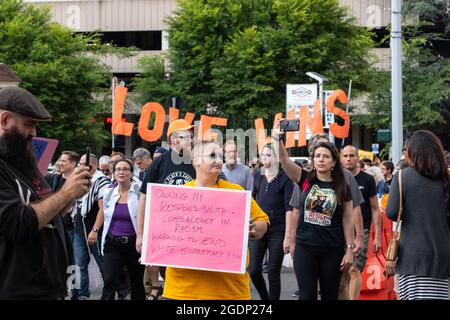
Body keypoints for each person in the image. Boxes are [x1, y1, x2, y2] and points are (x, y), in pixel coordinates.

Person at [0, 86, 92, 299]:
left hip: (47, 288)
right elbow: (16, 223)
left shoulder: (23, 163)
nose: (34, 134)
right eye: (29, 124)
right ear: (4, 120)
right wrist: (65, 194)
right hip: (17, 290)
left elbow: (46, 215)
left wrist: (73, 193)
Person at [161, 140, 269, 299]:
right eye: (212, 155)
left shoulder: (236, 192)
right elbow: (161, 233)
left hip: (228, 291)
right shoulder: (177, 196)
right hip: (181, 290)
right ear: (196, 160)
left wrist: (251, 227)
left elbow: (263, 224)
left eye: (220, 156)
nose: (219, 160)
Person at [137, 119, 197, 300]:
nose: (191, 138)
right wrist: (140, 234)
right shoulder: (160, 162)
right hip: (164, 233)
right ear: (173, 139)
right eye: (185, 135)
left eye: (191, 135)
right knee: (168, 274)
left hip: (191, 234)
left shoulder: (197, 161)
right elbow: (144, 197)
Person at [386, 130, 450, 300]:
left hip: (412, 255)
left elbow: (392, 212)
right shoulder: (446, 179)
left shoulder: (402, 177)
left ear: (412, 152)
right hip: (442, 255)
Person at [286, 141, 354, 300]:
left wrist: (350, 249)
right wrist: (277, 140)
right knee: (306, 295)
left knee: (330, 295)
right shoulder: (304, 179)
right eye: (317, 156)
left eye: (326, 156)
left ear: (333, 162)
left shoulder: (343, 186)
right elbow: (284, 161)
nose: (321, 159)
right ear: (313, 161)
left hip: (332, 249)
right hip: (305, 248)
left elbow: (347, 219)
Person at [248, 143, 294, 300]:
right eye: (263, 154)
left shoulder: (285, 178)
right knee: (253, 270)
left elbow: (290, 209)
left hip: (278, 229)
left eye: (268, 154)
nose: (264, 157)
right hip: (258, 226)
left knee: (273, 272)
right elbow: (252, 201)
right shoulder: (257, 175)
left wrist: (288, 236)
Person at [101, 159, 146, 300]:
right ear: (113, 173)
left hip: (134, 244)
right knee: (109, 280)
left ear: (131, 173)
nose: (122, 172)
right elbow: (104, 216)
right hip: (112, 243)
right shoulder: (108, 193)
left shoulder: (140, 193)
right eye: (118, 169)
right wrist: (95, 231)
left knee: (137, 282)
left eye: (126, 169)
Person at [341, 145, 381, 300]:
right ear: (341, 158)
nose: (349, 158)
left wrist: (377, 236)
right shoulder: (337, 179)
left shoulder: (368, 179)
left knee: (354, 269)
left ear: (357, 157)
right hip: (340, 231)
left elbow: (375, 209)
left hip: (361, 230)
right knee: (342, 274)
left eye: (352, 155)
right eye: (345, 156)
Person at [71, 153, 111, 300]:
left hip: (96, 230)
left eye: (83, 163)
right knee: (79, 264)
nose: (80, 166)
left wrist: (94, 230)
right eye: (79, 164)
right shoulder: (79, 180)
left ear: (92, 166)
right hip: (79, 228)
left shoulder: (101, 181)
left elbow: (103, 208)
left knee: (103, 265)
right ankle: (82, 294)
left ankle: (111, 293)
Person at [45, 150, 80, 244]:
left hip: (69, 227)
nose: (60, 163)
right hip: (52, 225)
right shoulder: (53, 178)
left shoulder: (78, 181)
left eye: (64, 161)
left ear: (73, 164)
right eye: (60, 160)